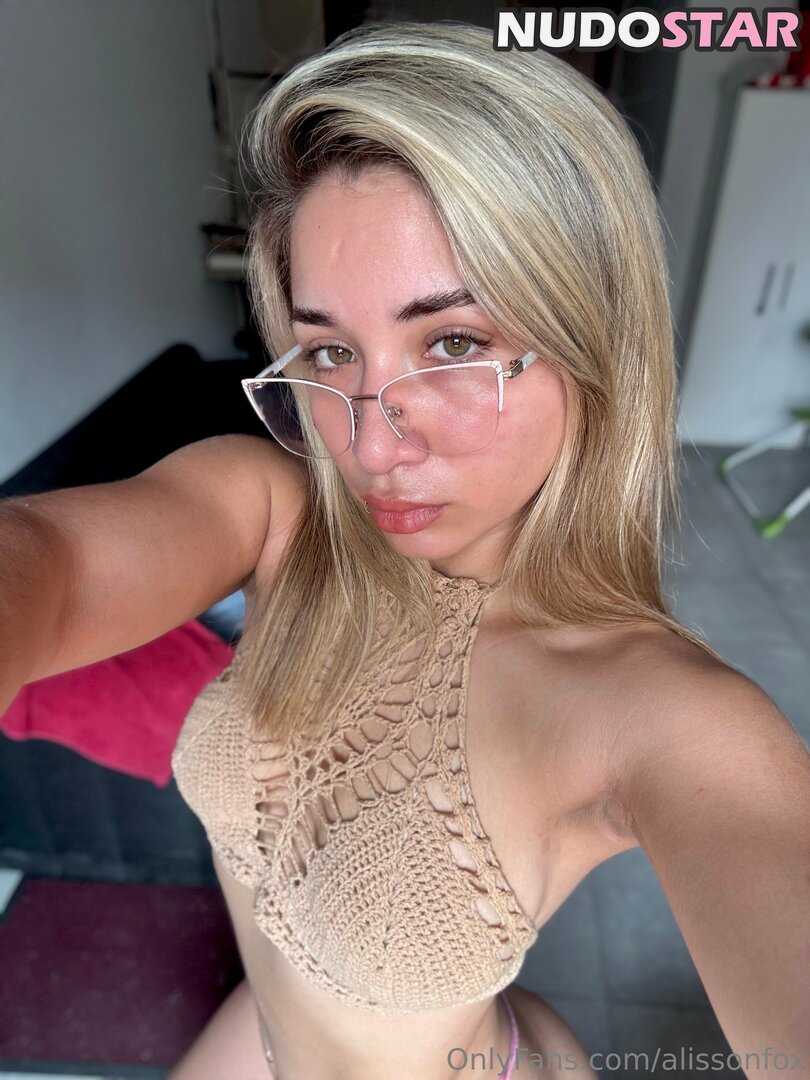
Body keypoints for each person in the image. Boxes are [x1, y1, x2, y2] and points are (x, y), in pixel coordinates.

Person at [2, 19, 808, 1080]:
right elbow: (49, 567)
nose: (371, 445)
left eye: (454, 342)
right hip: (256, 1042)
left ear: (594, 340)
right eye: (331, 351)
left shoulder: (656, 713)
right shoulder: (274, 511)